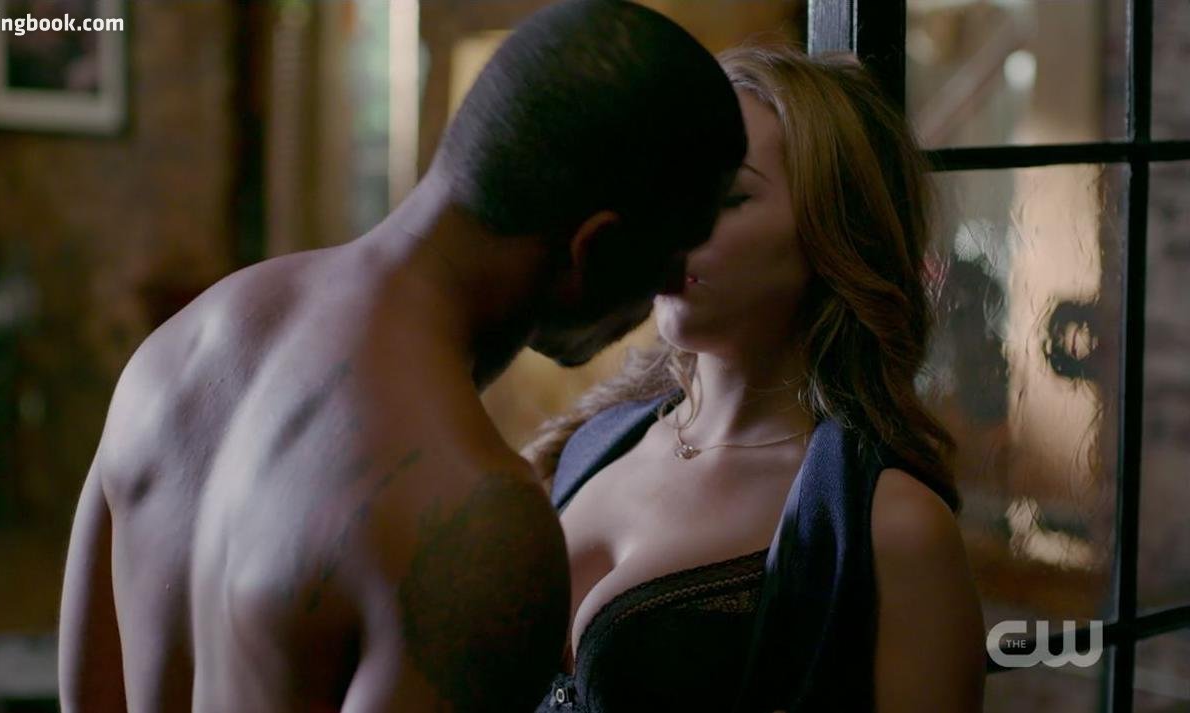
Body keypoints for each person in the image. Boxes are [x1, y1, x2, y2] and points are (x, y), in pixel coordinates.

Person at [56, 2, 746, 711]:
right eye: (674, 252)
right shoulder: (472, 522)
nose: (672, 287)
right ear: (595, 249)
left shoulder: (173, 352)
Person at [525, 46, 987, 713]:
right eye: (671, 189)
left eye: (729, 196)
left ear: (832, 229)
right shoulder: (596, 440)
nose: (676, 223)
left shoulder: (891, 526)